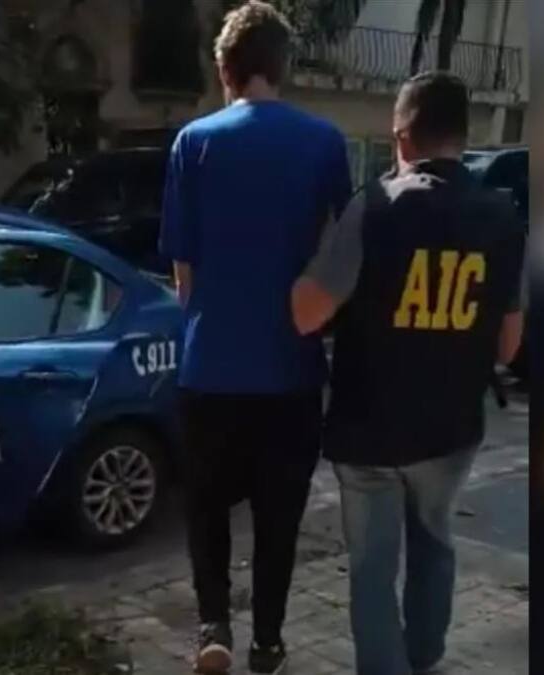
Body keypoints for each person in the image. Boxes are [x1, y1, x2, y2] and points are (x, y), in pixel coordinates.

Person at [291, 72, 525, 675]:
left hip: (367, 431)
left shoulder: (372, 206)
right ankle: (424, 658)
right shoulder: (503, 218)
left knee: (372, 569)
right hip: (451, 430)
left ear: (400, 137)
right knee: (434, 544)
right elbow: (508, 342)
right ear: (461, 136)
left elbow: (308, 313)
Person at [158, 2, 352, 673]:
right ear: (283, 67)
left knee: (207, 508)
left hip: (209, 366)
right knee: (279, 518)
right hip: (291, 370)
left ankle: (214, 624)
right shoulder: (326, 143)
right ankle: (268, 639)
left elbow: (183, 271)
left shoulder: (193, 142)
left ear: (225, 69)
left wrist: (209, 317)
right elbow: (340, 251)